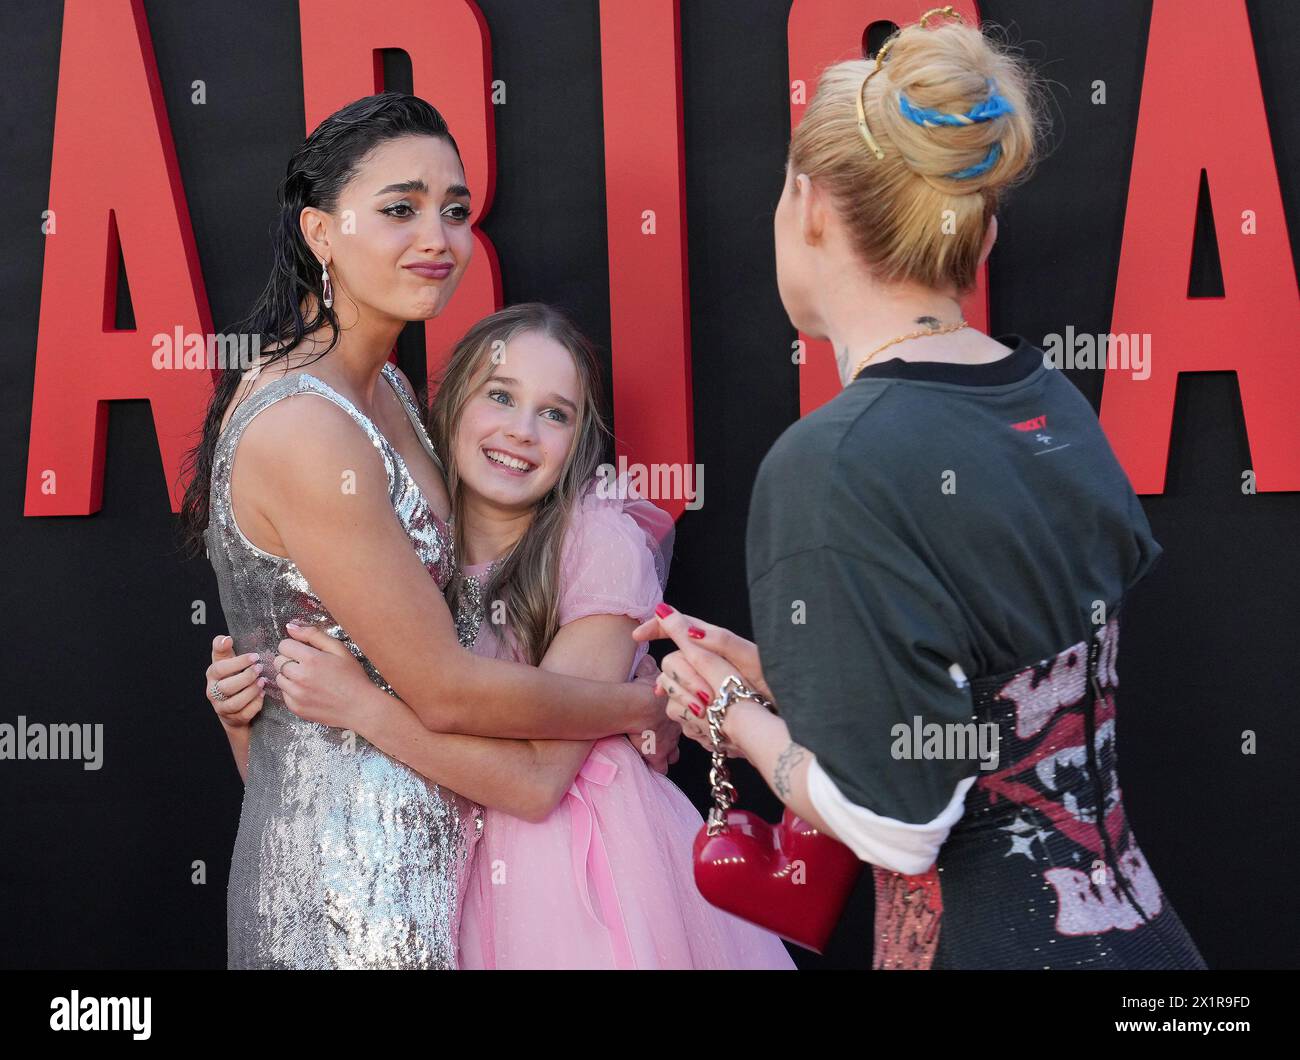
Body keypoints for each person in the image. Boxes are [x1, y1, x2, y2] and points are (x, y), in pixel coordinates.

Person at [637, 10, 1207, 970]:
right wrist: (791, 676)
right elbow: (986, 701)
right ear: (975, 232)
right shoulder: (1051, 400)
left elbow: (896, 821)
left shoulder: (833, 461)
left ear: (811, 206)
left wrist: (731, 718)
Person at [180, 93, 672, 969]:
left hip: (446, 863)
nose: (437, 238)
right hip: (348, 890)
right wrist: (643, 705)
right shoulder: (306, 424)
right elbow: (442, 689)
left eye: (454, 210)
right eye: (400, 209)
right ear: (321, 233)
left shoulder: (397, 395)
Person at [208, 304, 794, 969]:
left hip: (580, 887)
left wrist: (367, 711)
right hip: (441, 892)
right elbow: (325, 788)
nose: (521, 431)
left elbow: (539, 783)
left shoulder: (596, 542)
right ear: (454, 402)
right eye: (501, 396)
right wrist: (251, 711)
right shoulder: (404, 557)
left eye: (555, 413)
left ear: (579, 440)